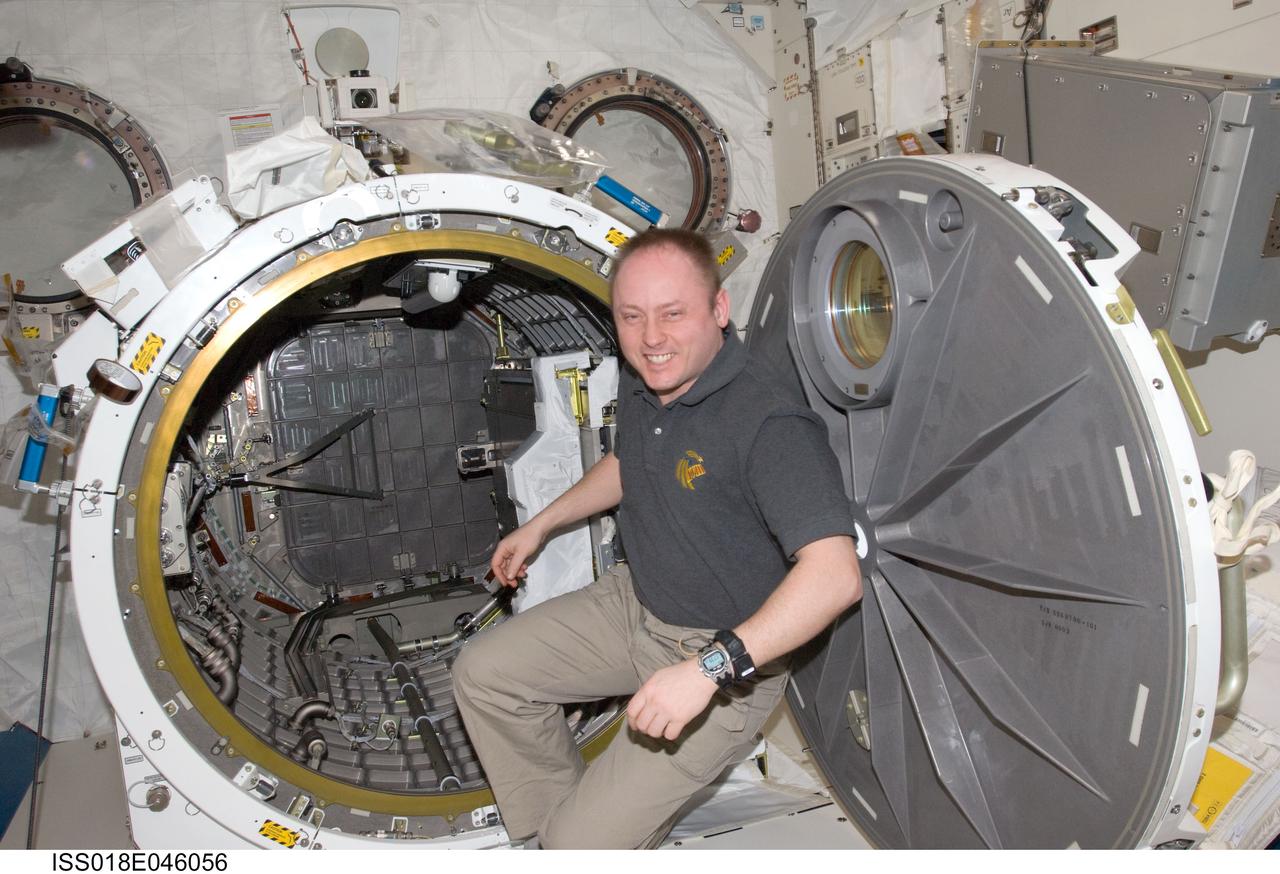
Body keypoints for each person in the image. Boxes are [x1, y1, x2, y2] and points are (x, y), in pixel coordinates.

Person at [452, 228, 862, 849]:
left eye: (673, 314)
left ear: (719, 310)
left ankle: (580, 842)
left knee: (578, 846)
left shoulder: (770, 423)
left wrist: (706, 672)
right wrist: (541, 524)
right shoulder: (648, 379)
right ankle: (566, 833)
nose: (651, 338)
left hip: (721, 659)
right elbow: (629, 463)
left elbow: (835, 576)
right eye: (632, 316)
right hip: (635, 603)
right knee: (485, 675)